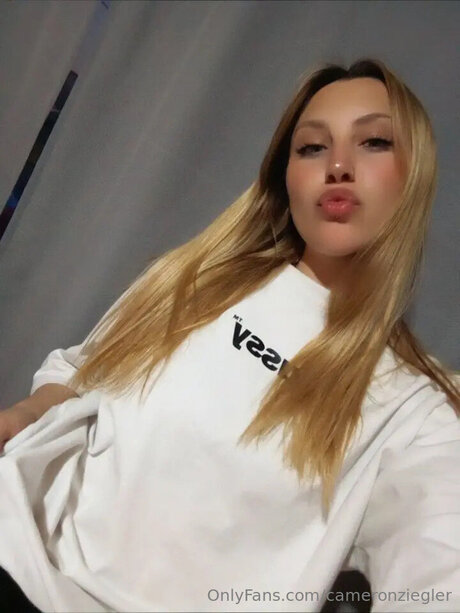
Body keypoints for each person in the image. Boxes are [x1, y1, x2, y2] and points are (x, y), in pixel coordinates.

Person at [0, 57, 459, 613]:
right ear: (285, 175)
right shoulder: (193, 279)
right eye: (312, 147)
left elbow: (439, 572)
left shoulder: (415, 412)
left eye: (374, 143)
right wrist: (26, 413)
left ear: (416, 173)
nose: (338, 165)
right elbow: (83, 372)